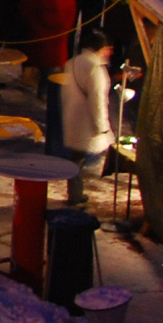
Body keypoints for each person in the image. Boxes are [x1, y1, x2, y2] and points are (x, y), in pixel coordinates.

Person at [60, 31, 116, 207]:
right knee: (80, 159)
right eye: (107, 48)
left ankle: (75, 192)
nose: (109, 52)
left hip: (72, 116)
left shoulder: (72, 63)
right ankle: (75, 194)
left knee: (76, 157)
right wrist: (103, 127)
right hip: (87, 121)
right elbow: (98, 101)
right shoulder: (95, 69)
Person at [20, 0, 77, 84]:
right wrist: (37, 29)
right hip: (39, 35)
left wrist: (65, 29)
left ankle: (50, 90)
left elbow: (71, 13)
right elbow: (28, 12)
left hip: (58, 37)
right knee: (39, 65)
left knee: (54, 67)